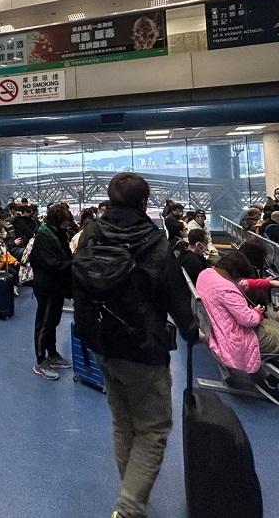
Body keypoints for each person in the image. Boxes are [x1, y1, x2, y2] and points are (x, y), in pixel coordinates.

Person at [72, 173, 197, 518]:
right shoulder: (153, 241)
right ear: (144, 203)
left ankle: (132, 492)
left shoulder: (91, 236)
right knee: (152, 428)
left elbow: (80, 286)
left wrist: (88, 335)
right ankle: (128, 507)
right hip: (144, 346)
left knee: (123, 422)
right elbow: (175, 295)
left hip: (102, 342)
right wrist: (190, 330)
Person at [197, 252, 279, 406]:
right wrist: (256, 312)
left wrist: (265, 283)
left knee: (277, 329)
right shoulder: (227, 289)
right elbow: (248, 320)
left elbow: (241, 285)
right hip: (238, 339)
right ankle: (272, 381)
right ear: (234, 274)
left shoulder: (206, 274)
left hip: (220, 330)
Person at [29, 204, 74, 381]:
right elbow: (53, 264)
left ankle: (52, 353)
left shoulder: (57, 234)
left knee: (53, 321)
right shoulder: (43, 237)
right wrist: (73, 265)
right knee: (44, 323)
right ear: (56, 222)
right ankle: (40, 360)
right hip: (46, 286)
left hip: (56, 286)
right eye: (64, 224)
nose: (67, 227)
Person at [234, 240, 279, 332]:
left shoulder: (236, 265)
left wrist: (264, 282)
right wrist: (266, 284)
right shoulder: (250, 271)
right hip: (254, 310)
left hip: (242, 309)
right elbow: (256, 297)